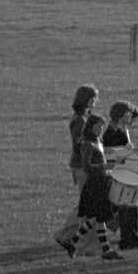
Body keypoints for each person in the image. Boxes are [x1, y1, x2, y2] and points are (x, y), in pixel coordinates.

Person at [65, 113, 122, 261]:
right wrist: (105, 166)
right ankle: (105, 250)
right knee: (98, 218)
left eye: (102, 127)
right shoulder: (87, 144)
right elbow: (87, 167)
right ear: (90, 126)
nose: (100, 129)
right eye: (97, 127)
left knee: (98, 218)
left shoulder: (98, 141)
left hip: (102, 182)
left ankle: (74, 242)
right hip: (94, 185)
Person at [53, 84, 98, 252]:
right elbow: (78, 144)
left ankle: (65, 236)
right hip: (83, 166)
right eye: (92, 98)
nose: (95, 101)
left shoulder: (86, 116)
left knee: (87, 205)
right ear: (83, 99)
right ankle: (86, 244)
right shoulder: (79, 120)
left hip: (87, 165)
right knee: (89, 206)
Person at [103, 100, 138, 251]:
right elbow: (109, 154)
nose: (130, 116)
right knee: (127, 206)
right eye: (127, 113)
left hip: (127, 171)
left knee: (132, 206)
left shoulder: (122, 129)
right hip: (119, 173)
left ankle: (133, 237)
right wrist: (126, 152)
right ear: (120, 115)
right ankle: (128, 240)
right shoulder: (110, 132)